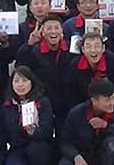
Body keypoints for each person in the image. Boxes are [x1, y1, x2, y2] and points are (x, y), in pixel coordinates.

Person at [15, 15, 75, 146]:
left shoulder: (71, 50)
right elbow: (21, 69)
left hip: (67, 101)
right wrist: (29, 44)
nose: (53, 31)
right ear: (42, 31)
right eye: (49, 28)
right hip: (42, 100)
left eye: (56, 28)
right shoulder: (34, 50)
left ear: (62, 31)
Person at [1, 67, 55, 165]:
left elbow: (47, 131)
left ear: (32, 82)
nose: (20, 85)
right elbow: (5, 131)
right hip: (18, 146)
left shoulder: (42, 102)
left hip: (39, 145)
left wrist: (33, 131)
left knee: (38, 149)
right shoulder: (8, 104)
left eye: (24, 81)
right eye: (16, 81)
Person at [65, 32, 114, 107]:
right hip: (83, 106)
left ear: (103, 48)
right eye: (88, 46)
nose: (93, 50)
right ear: (83, 49)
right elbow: (71, 94)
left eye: (97, 46)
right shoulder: (75, 64)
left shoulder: (112, 61)